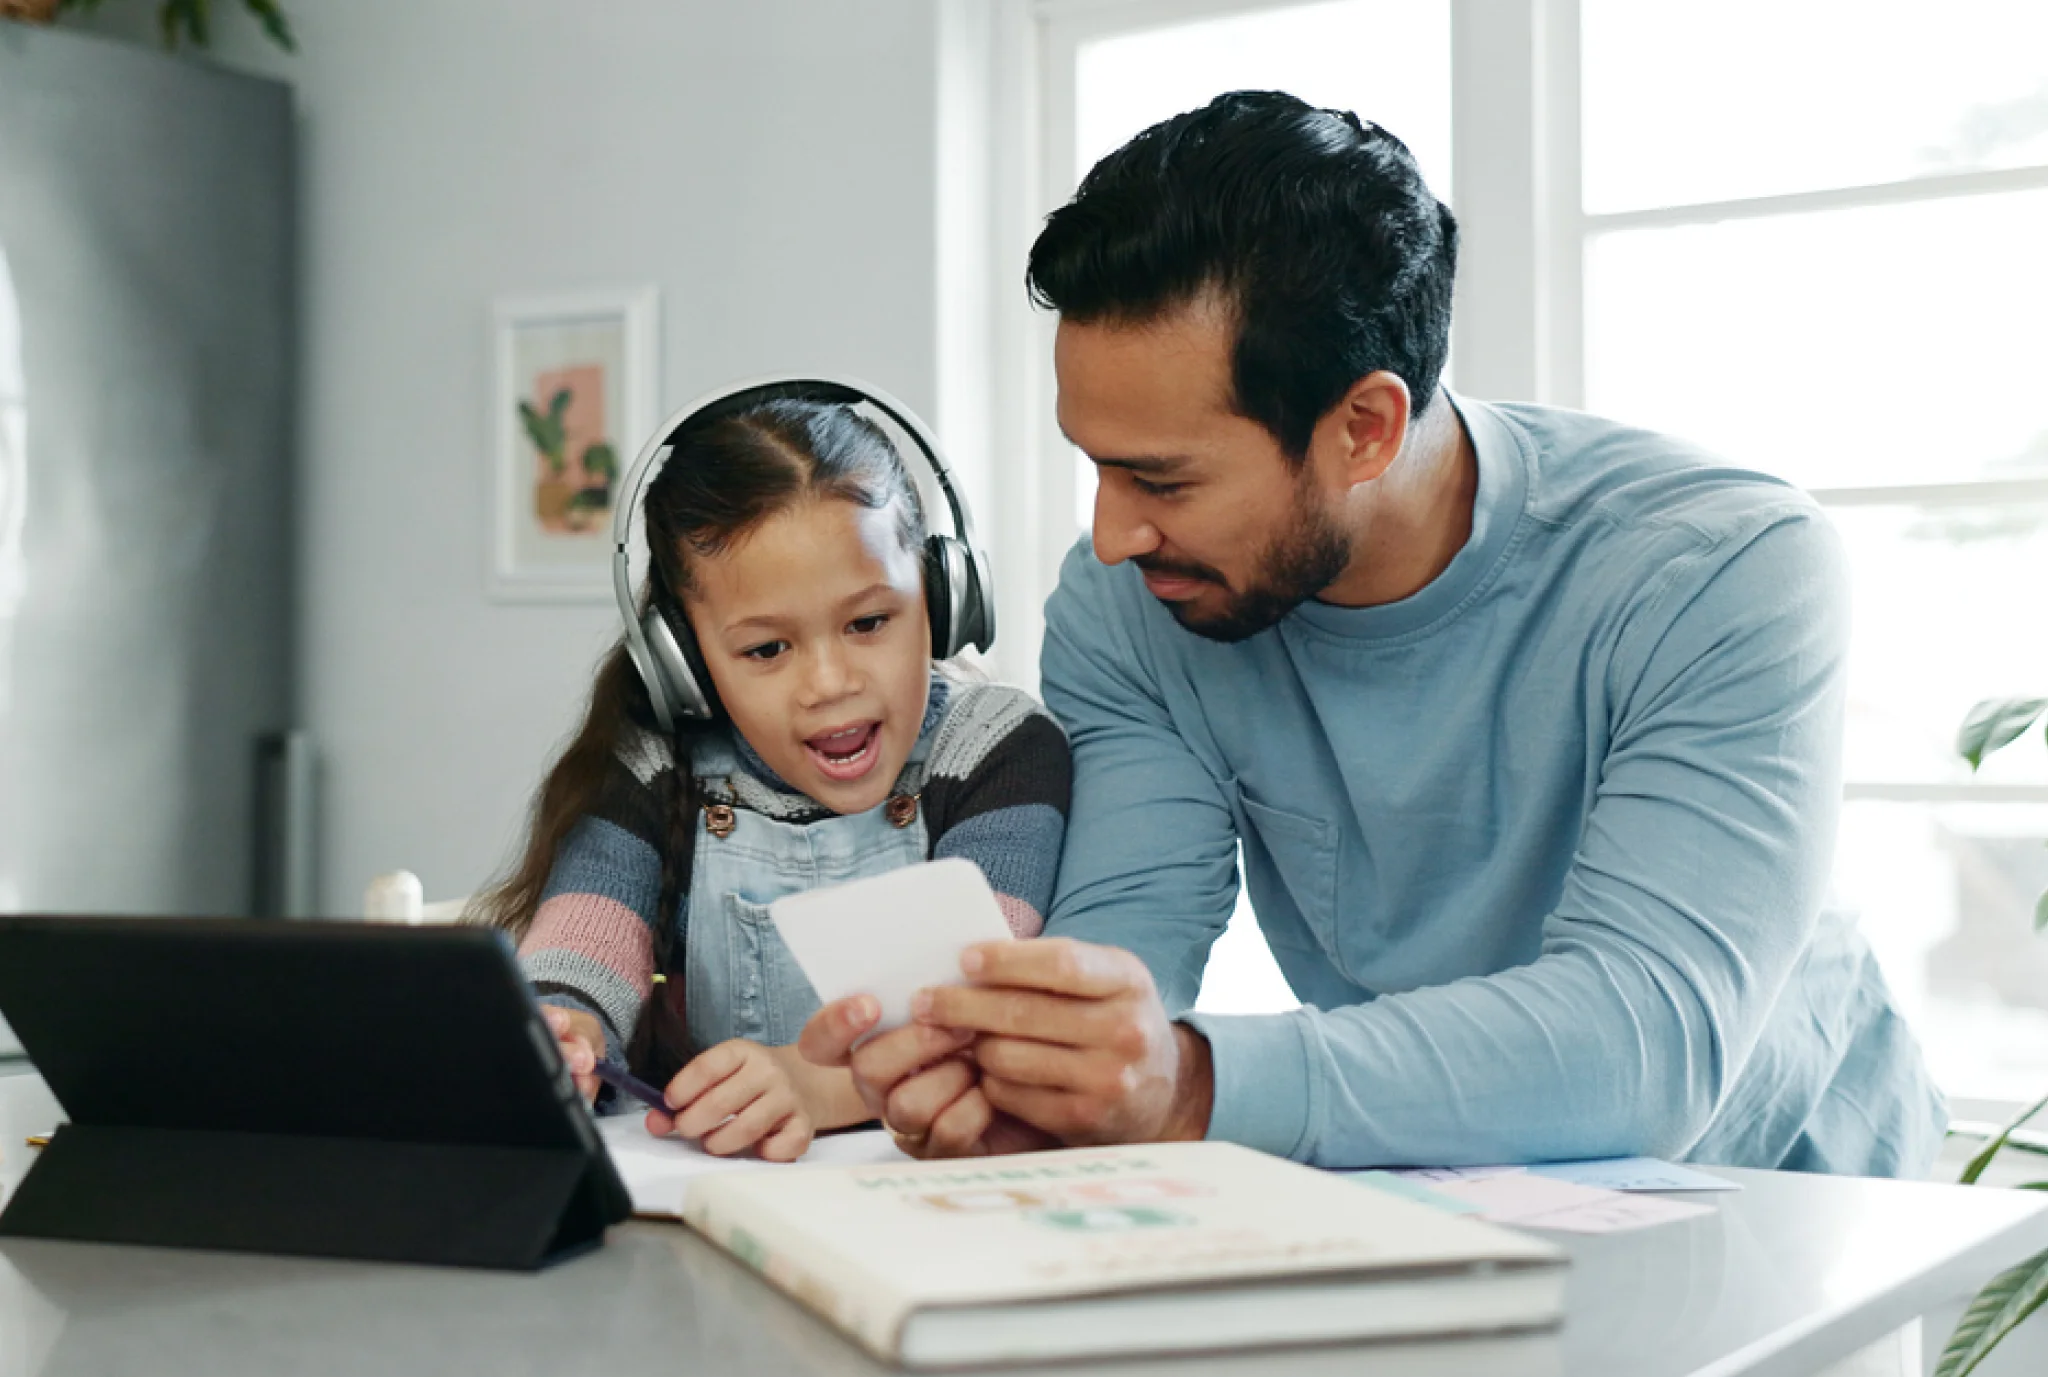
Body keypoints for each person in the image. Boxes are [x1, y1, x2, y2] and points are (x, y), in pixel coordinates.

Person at [800, 92, 1947, 1176]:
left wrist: (1190, 1086)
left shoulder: (1720, 565)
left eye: (1160, 477)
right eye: (1095, 465)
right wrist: (1031, 1071)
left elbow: (1644, 1038)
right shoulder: (1132, 602)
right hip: (1431, 1169)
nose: (1110, 534)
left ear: (1362, 427)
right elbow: (1128, 950)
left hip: (1784, 1178)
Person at [480, 384, 1070, 1161]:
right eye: (766, 649)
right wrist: (568, 1032)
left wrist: (815, 1082)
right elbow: (585, 948)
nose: (828, 683)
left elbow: (973, 1003)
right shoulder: (657, 766)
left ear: (942, 598)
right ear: (685, 665)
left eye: (868, 622)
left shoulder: (998, 749)